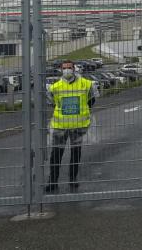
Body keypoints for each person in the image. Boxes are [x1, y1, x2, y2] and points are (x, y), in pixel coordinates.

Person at [46, 60, 98, 193]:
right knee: (56, 155)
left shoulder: (86, 84)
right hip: (60, 126)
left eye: (69, 67)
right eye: (64, 68)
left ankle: (72, 179)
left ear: (74, 69)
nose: (67, 70)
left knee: (76, 154)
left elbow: (91, 100)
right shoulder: (55, 87)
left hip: (78, 126)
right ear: (61, 70)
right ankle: (53, 181)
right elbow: (52, 103)